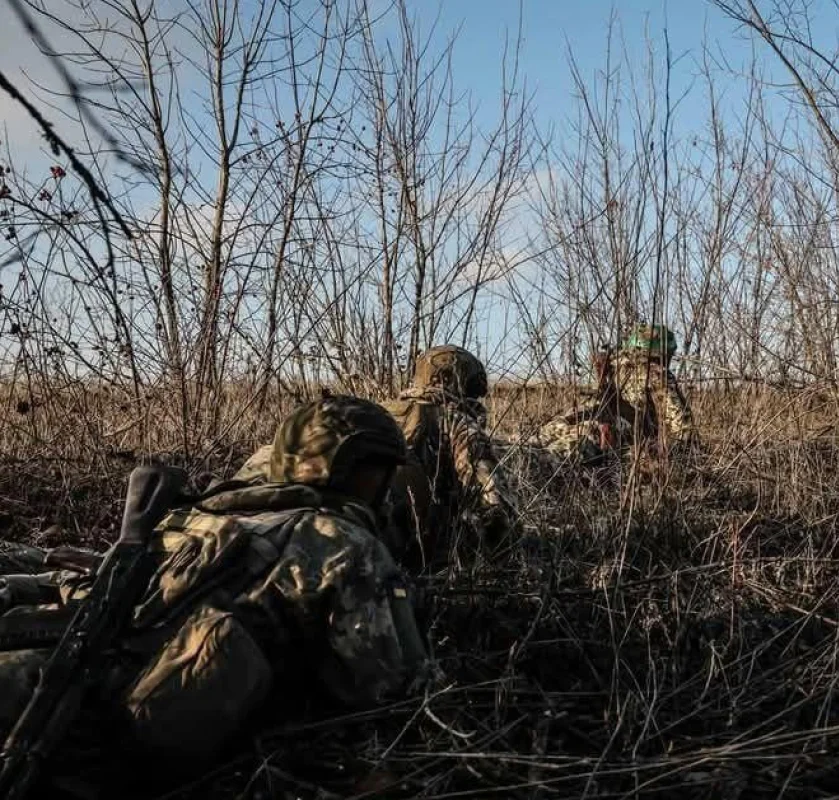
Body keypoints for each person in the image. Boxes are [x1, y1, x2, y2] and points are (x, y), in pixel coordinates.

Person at [0, 395, 429, 791]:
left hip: (52, 684)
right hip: (121, 734)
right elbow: (393, 693)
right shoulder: (344, 543)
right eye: (379, 473)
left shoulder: (193, 515)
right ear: (349, 469)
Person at [383, 345, 518, 571]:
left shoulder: (380, 411)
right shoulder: (455, 422)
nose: (476, 402)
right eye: (472, 391)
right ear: (452, 382)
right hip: (417, 560)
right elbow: (494, 506)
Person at [539, 323, 693, 462]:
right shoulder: (635, 369)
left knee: (582, 433)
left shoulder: (631, 369)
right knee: (569, 430)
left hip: (621, 434)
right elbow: (684, 431)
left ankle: (541, 454)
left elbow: (683, 430)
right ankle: (542, 452)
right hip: (612, 431)